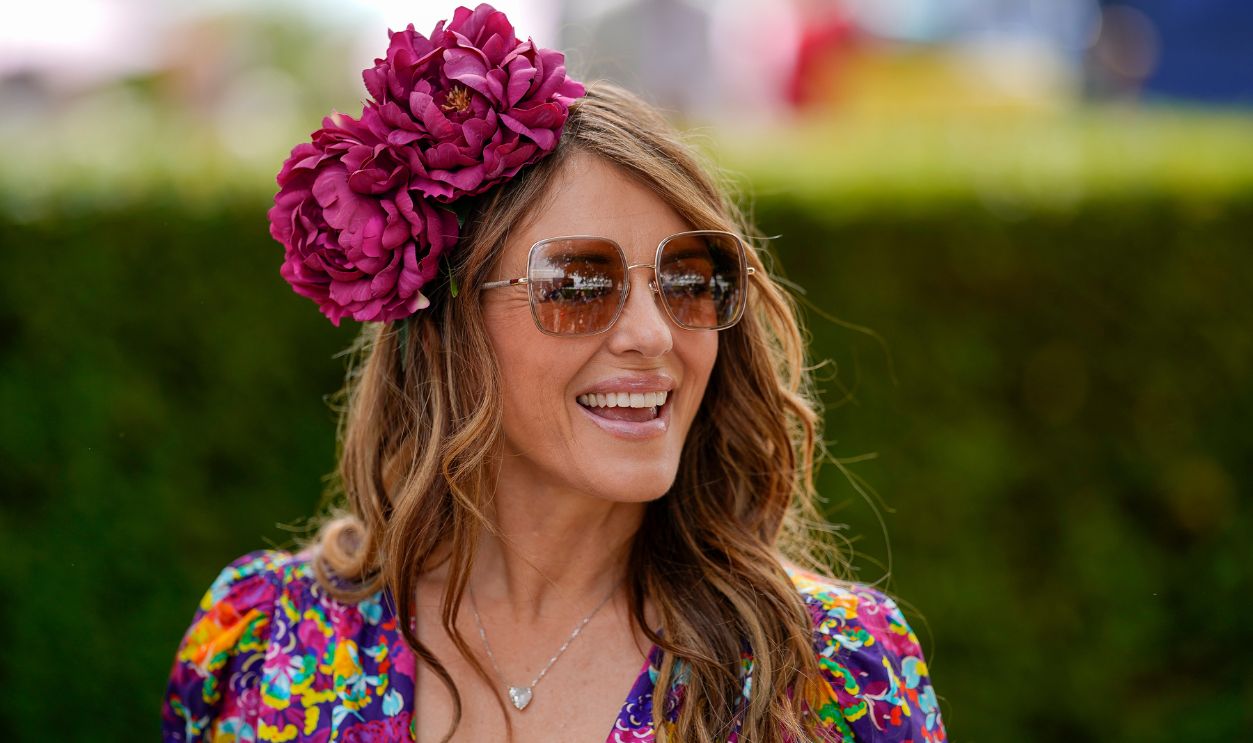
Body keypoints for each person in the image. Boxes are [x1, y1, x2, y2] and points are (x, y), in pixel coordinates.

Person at [162, 4, 947, 742]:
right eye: (577, 284)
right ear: (449, 322)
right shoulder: (261, 640)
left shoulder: (831, 675)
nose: (651, 334)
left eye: (688, 280)